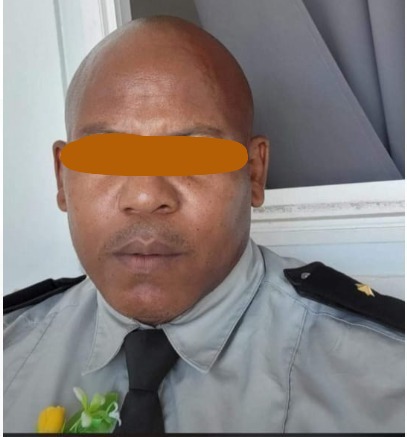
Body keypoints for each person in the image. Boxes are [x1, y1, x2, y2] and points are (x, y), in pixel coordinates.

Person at [4, 16, 404, 433]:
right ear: (62, 178)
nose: (146, 195)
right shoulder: (10, 347)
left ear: (254, 173)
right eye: (105, 155)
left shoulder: (387, 382)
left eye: (193, 154)